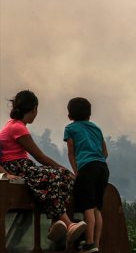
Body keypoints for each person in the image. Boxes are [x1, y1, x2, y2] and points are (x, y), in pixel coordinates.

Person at [0, 90, 86, 242]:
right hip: (17, 166)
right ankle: (68, 223)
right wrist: (63, 168)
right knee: (53, 176)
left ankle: (56, 222)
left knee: (64, 177)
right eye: (36, 109)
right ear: (33, 109)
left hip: (23, 165)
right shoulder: (17, 128)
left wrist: (64, 172)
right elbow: (39, 156)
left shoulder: (15, 125)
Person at [64, 97, 109, 253]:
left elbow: (71, 152)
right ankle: (96, 245)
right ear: (89, 115)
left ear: (69, 115)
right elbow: (105, 152)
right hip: (102, 168)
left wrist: (77, 172)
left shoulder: (70, 128)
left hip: (87, 168)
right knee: (97, 208)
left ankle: (88, 244)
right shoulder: (96, 128)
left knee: (87, 207)